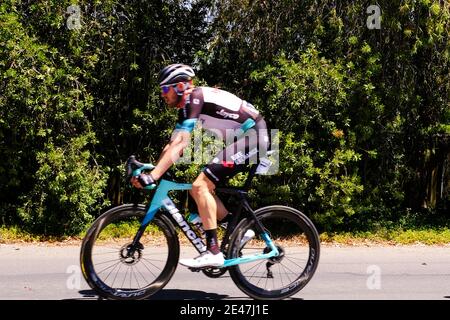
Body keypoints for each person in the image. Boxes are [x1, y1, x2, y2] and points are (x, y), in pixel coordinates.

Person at [131, 63, 269, 268]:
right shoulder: (189, 105)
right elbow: (173, 143)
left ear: (179, 87)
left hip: (254, 138)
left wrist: (154, 176)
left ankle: (213, 252)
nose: (162, 95)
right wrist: (153, 170)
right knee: (202, 187)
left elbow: (181, 144)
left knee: (200, 185)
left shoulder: (195, 98)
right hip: (247, 138)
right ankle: (239, 229)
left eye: (164, 89)